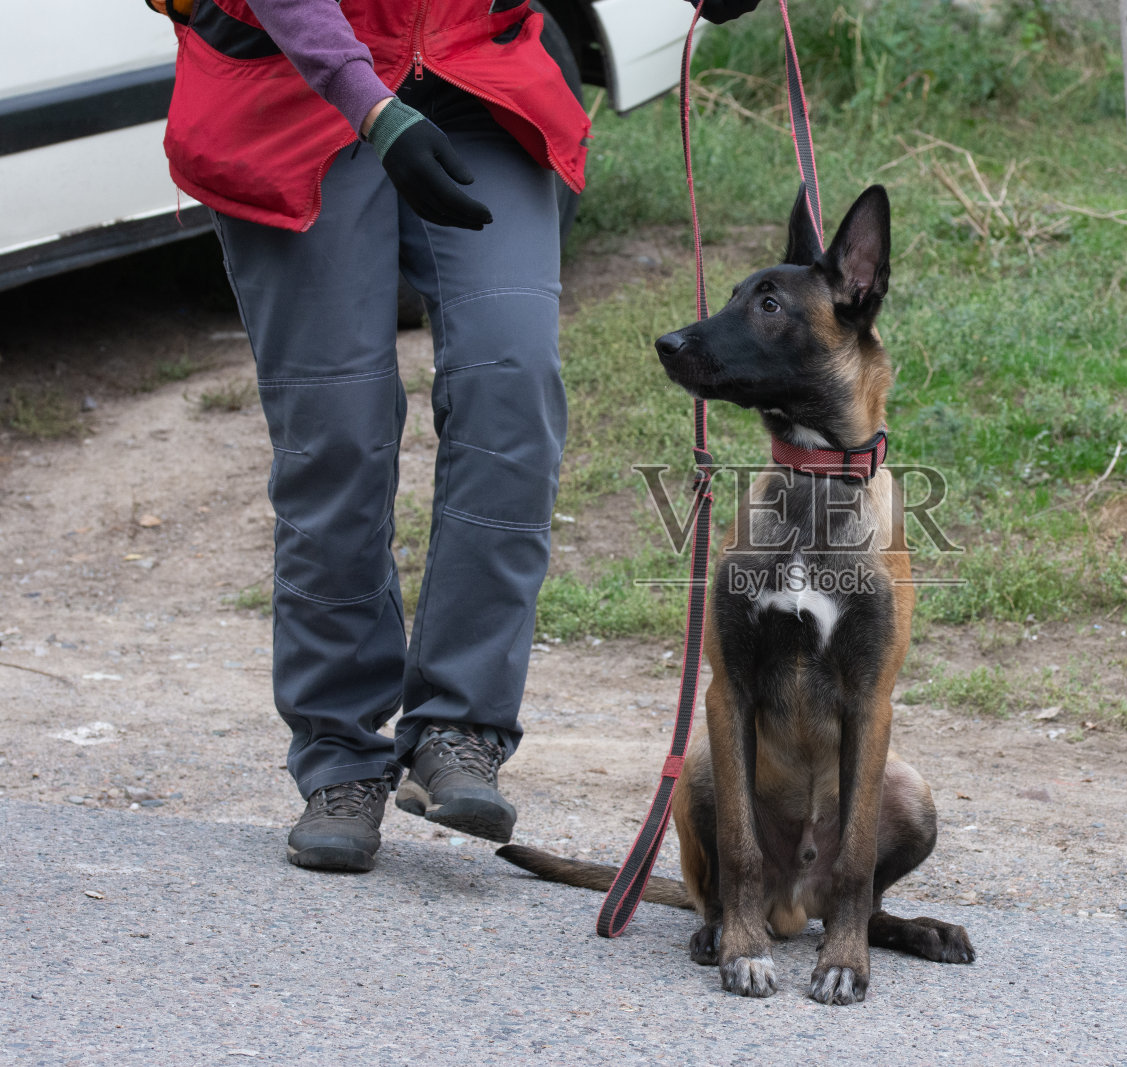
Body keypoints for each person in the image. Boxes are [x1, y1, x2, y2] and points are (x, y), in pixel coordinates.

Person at [161, 0, 759, 872]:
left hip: (477, 80)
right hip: (295, 82)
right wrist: (371, 107)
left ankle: (459, 726)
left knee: (512, 382)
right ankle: (340, 757)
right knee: (339, 430)